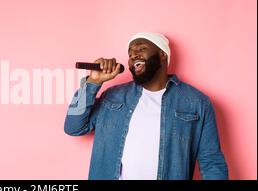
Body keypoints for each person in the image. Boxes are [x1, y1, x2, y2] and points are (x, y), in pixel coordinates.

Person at [64, 32, 228, 180]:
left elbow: (211, 161)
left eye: (141, 48)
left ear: (162, 55)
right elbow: (73, 127)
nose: (133, 55)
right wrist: (94, 81)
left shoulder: (197, 102)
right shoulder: (113, 96)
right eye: (130, 53)